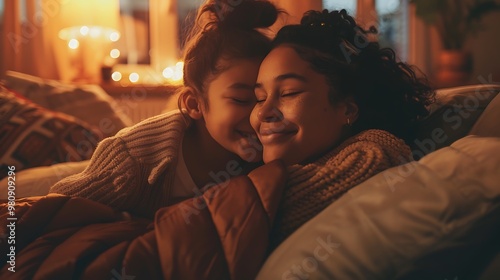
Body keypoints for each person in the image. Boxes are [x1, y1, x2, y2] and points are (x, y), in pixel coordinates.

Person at [49, 0, 280, 218]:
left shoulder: (270, 153)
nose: (259, 114)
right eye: (241, 99)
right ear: (194, 104)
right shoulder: (132, 160)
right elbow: (56, 206)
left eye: (263, 98)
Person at [250, 9, 436, 246]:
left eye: (289, 92)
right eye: (259, 97)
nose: (264, 112)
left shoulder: (372, 153)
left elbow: (248, 220)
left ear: (347, 109)